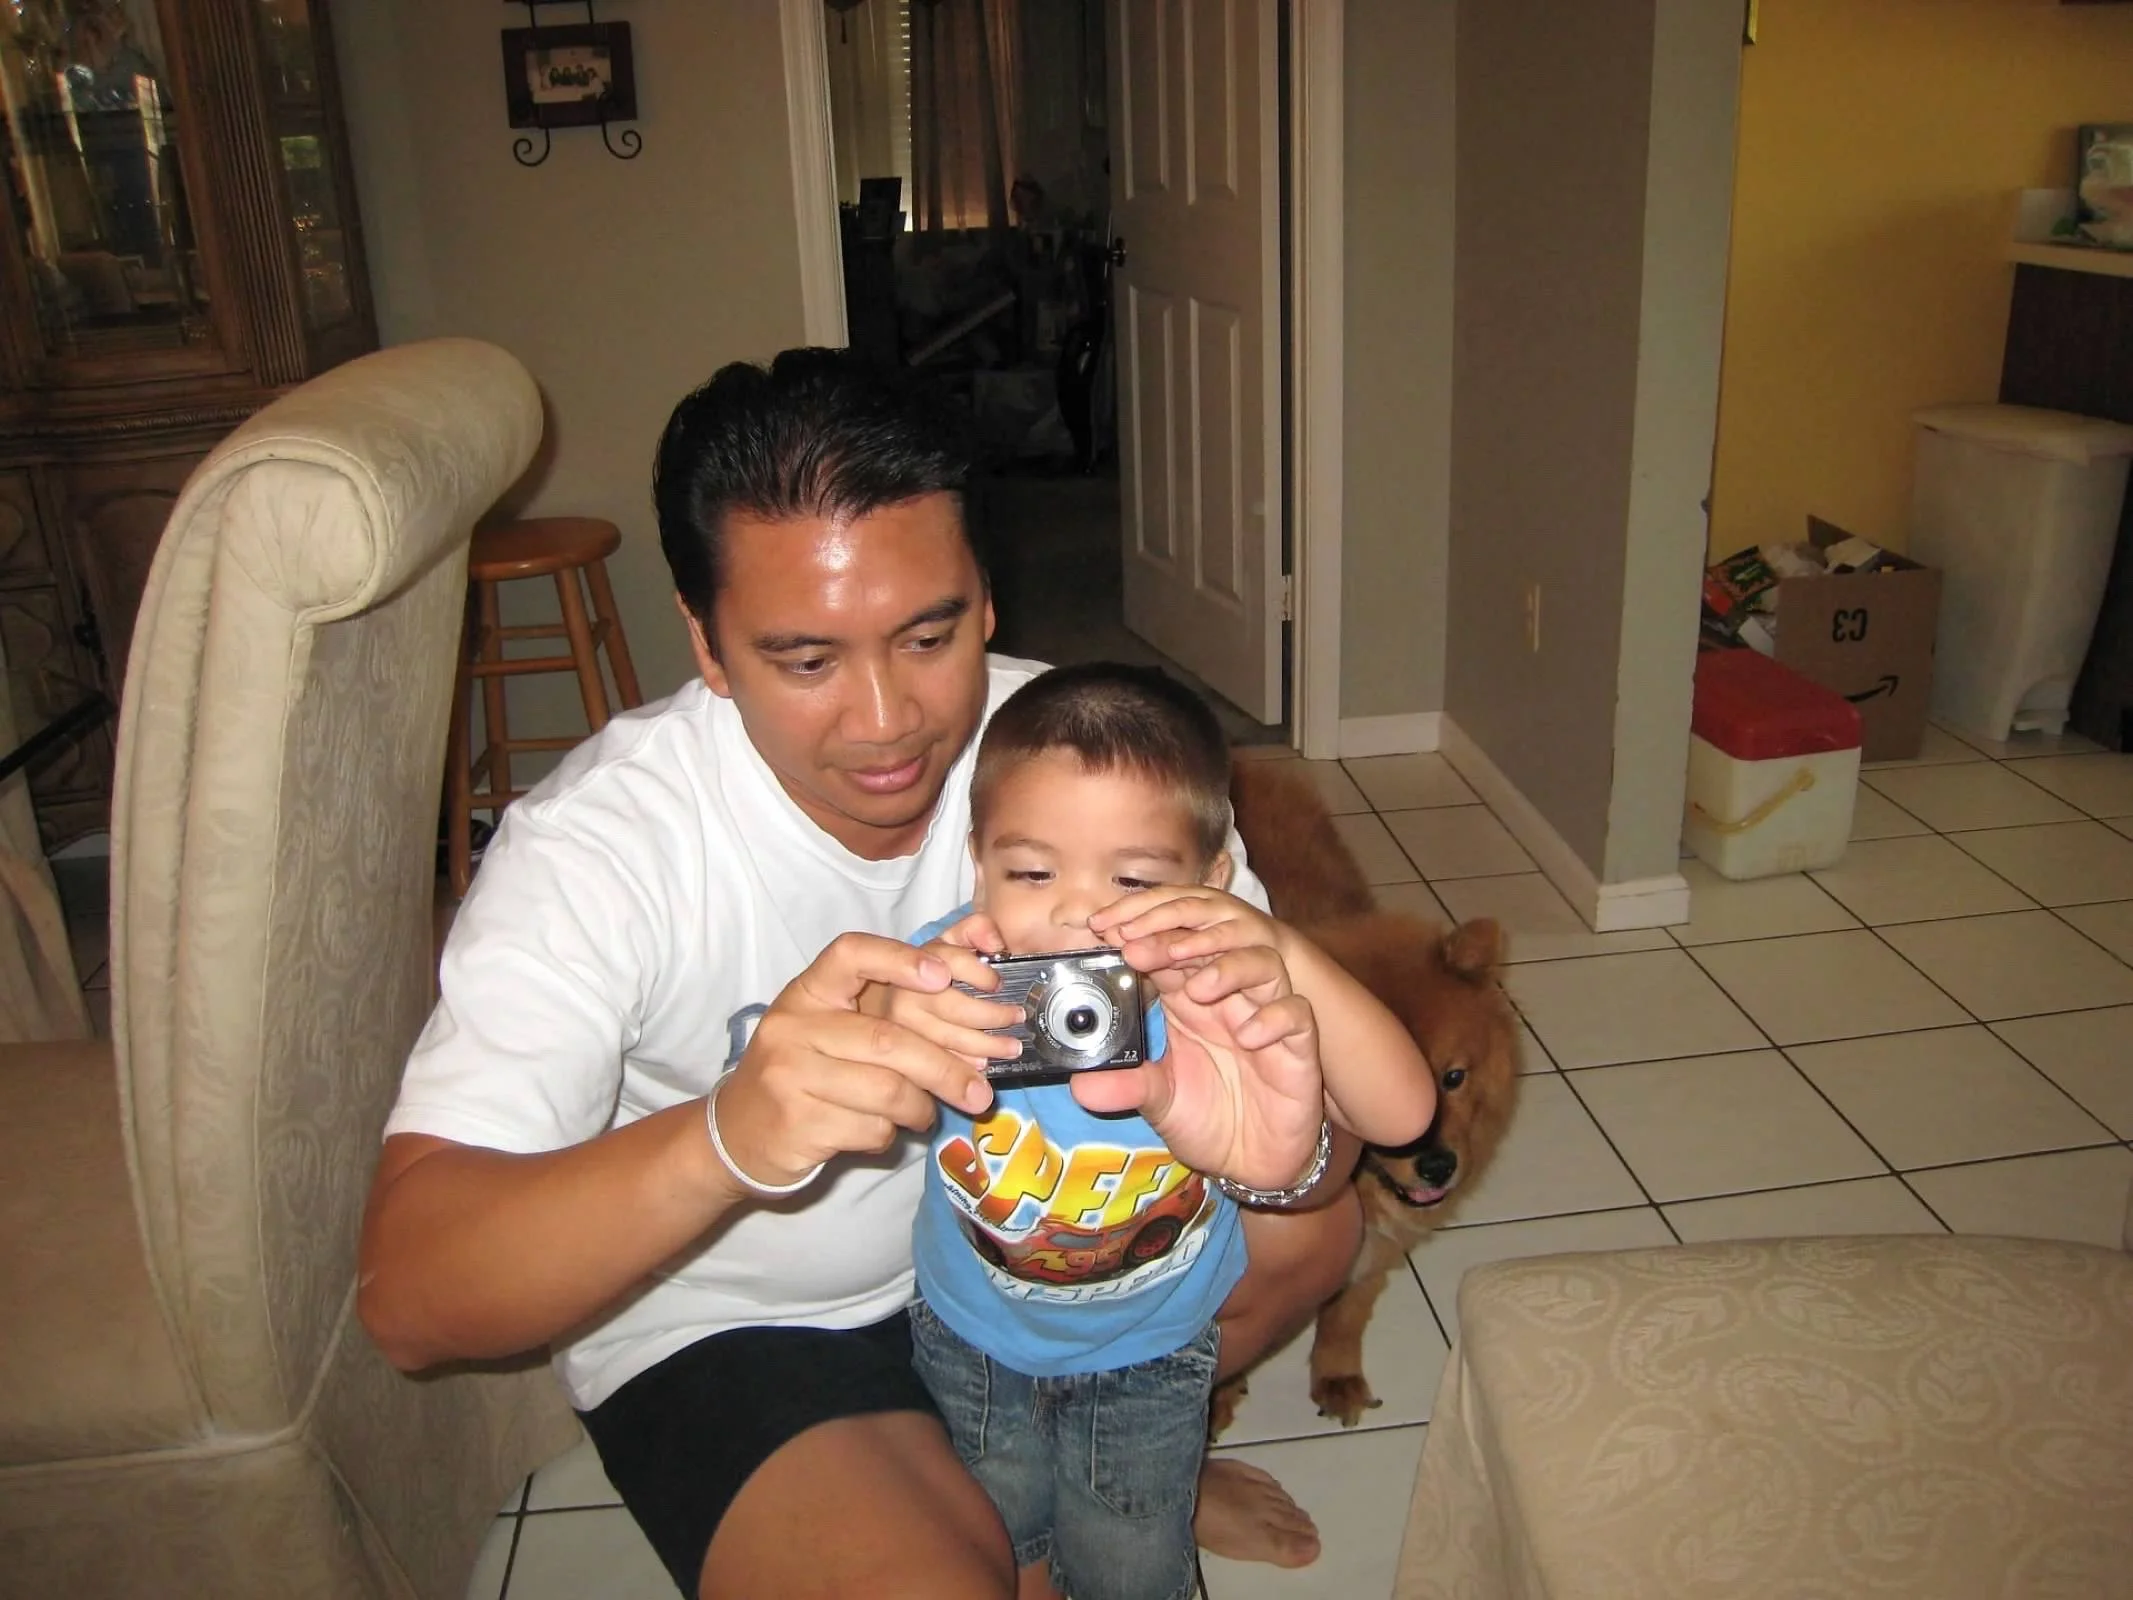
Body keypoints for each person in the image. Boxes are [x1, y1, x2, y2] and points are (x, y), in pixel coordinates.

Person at [357, 348, 1394, 1600]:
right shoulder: (598, 849)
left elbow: (1335, 1129)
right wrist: (729, 1136)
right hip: (748, 1326)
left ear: (987, 598)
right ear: (707, 642)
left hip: (1057, 1277)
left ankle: (1121, 1470)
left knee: (1312, 1227)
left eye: (929, 633)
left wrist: (1283, 1143)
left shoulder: (1086, 766)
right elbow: (410, 1295)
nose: (887, 719)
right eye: (805, 660)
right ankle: (1009, 1506)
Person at [878, 662, 1435, 1600]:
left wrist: (1282, 949)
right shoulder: (948, 976)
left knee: (1133, 1554)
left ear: (1211, 883)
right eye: (1029, 871)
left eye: (1131, 878)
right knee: (997, 1528)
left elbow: (1403, 1112)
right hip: (971, 1334)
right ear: (978, 859)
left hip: (1152, 1349)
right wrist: (894, 1017)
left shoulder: (1216, 991)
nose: (1074, 912)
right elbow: (839, 1075)